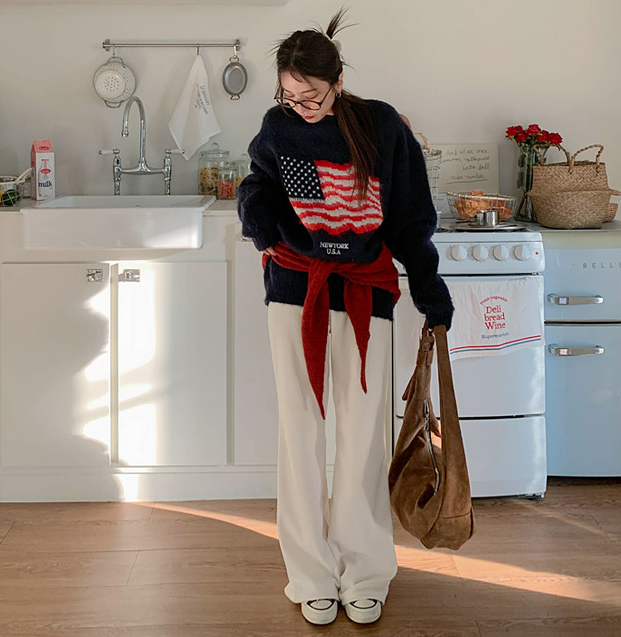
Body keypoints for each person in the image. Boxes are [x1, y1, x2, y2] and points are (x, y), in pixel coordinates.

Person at [236, 8, 453, 627]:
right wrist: (265, 225)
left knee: (362, 439)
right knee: (299, 435)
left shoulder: (382, 127)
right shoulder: (278, 128)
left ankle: (365, 573)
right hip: (294, 294)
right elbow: (258, 187)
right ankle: (309, 575)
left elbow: (411, 220)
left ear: (337, 82)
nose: (299, 107)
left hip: (365, 295)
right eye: (288, 96)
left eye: (310, 96)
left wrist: (430, 292)